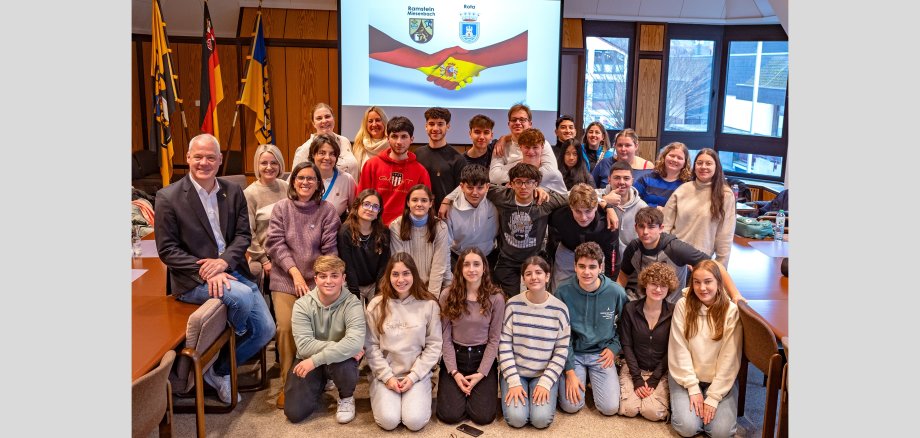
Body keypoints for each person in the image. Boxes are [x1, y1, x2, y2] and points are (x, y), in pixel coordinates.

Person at [154, 133, 275, 405]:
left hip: (232, 269)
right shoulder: (167, 197)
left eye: (210, 157)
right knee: (243, 300)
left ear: (220, 161)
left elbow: (243, 235)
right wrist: (209, 270)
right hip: (193, 279)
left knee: (267, 331)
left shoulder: (232, 192)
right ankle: (236, 331)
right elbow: (168, 250)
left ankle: (217, 370)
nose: (204, 162)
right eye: (198, 156)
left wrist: (223, 262)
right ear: (187, 158)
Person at [266, 161, 340, 409]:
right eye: (300, 178)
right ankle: (288, 384)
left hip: (317, 280)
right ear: (293, 181)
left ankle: (317, 377)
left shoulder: (327, 211)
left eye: (311, 179)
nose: (305, 182)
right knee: (287, 328)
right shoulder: (281, 208)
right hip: (286, 278)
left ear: (318, 184)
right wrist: (296, 274)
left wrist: (319, 281)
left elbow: (329, 250)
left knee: (319, 327)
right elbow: (275, 244)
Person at [444, 163, 568, 298]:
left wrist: (546, 191)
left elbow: (572, 197)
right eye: (518, 182)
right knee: (511, 300)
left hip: (534, 258)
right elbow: (472, 183)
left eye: (529, 182)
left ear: (536, 183)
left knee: (536, 297)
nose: (523, 187)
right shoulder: (502, 195)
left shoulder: (545, 201)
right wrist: (447, 200)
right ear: (511, 184)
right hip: (507, 261)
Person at [364, 253, 443, 431]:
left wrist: (414, 376)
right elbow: (371, 346)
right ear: (388, 276)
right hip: (386, 374)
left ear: (414, 275)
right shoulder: (376, 305)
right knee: (388, 421)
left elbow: (434, 345)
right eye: (395, 274)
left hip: (416, 375)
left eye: (406, 273)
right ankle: (379, 388)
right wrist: (387, 377)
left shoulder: (429, 305)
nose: (401, 279)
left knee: (414, 421)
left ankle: (423, 388)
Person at [284, 255, 366, 424]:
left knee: (345, 360)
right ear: (315, 279)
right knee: (294, 412)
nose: (328, 281)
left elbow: (355, 343)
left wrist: (316, 360)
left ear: (343, 278)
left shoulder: (353, 304)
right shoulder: (302, 305)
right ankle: (322, 380)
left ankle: (346, 397)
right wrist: (344, 346)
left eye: (334, 275)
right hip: (310, 358)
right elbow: (305, 346)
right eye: (323, 276)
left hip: (339, 361)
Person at [668, 260, 743, 438]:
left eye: (708, 281)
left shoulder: (731, 311)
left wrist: (714, 397)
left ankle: (709, 403)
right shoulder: (682, 305)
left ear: (718, 283)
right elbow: (679, 349)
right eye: (697, 282)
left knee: (721, 433)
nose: (702, 288)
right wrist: (693, 388)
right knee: (687, 428)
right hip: (685, 377)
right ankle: (686, 405)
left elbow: (730, 358)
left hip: (718, 379)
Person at [555, 242, 627, 417]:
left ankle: (593, 379)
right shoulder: (563, 291)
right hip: (574, 353)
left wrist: (614, 348)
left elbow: (626, 326)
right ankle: (581, 377)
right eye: (581, 266)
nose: (586, 272)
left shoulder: (616, 292)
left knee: (609, 408)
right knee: (571, 406)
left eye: (592, 267)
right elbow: (561, 336)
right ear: (575, 266)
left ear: (601, 267)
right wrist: (570, 371)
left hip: (601, 354)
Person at [498, 256, 570, 429]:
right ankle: (520, 390)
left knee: (540, 420)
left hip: (543, 373)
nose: (534, 277)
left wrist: (546, 383)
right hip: (516, 372)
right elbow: (504, 345)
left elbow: (561, 351)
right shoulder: (512, 305)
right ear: (523, 279)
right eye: (528, 273)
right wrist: (514, 382)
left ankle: (547, 392)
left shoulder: (560, 309)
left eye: (539, 272)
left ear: (547, 276)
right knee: (517, 419)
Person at [436, 247, 506, 426]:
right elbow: (446, 338)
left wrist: (481, 374)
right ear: (459, 268)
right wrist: (455, 373)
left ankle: (473, 393)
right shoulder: (447, 295)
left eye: (476, 264)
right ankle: (460, 393)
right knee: (448, 416)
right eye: (466, 264)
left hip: (482, 357)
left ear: (484, 268)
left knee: (483, 417)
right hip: (456, 357)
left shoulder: (496, 298)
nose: (471, 269)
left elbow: (494, 340)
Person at [617, 262, 677, 421]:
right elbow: (627, 345)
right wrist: (637, 378)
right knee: (629, 409)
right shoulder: (630, 309)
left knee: (652, 412)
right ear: (645, 285)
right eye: (654, 284)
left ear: (669, 288)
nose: (658, 289)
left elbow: (673, 349)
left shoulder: (675, 312)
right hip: (633, 368)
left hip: (660, 371)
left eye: (663, 285)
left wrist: (654, 379)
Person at [662, 148, 736, 266]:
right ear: (694, 166)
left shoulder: (725, 195)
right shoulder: (683, 189)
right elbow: (665, 225)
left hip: (701, 260)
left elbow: (725, 234)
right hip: (673, 256)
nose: (703, 167)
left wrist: (720, 267)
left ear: (716, 167)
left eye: (708, 163)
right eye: (700, 163)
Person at [357, 116, 432, 225]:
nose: (399, 142)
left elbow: (425, 205)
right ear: (388, 138)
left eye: (404, 136)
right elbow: (361, 200)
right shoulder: (371, 165)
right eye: (394, 136)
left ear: (411, 139)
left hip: (406, 229)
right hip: (376, 227)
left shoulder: (421, 171)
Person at [548, 183, 619, 290]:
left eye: (588, 211)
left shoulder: (608, 224)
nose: (583, 217)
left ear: (596, 207)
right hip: (568, 251)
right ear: (570, 207)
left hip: (596, 255)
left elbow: (612, 260)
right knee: (559, 290)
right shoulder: (559, 216)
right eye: (578, 211)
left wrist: (609, 286)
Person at [389, 184, 452, 299]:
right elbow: (399, 266)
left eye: (424, 200)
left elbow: (439, 265)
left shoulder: (441, 227)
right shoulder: (396, 226)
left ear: (430, 203)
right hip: (406, 287)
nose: (419, 204)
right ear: (408, 203)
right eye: (414, 200)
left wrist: (432, 297)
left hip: (433, 287)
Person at [244, 144, 289, 284]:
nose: (269, 167)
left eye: (274, 162)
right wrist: (263, 261)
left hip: (289, 251)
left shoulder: (286, 186)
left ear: (280, 164)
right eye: (264, 163)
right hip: (266, 256)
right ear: (257, 165)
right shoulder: (249, 194)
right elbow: (247, 233)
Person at [337, 189, 390, 304]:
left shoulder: (384, 232)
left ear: (378, 213)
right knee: (357, 318)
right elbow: (348, 266)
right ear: (357, 206)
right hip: (353, 284)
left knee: (378, 315)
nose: (370, 209)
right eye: (366, 204)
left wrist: (378, 293)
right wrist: (355, 298)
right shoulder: (345, 232)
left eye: (375, 207)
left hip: (375, 284)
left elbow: (383, 265)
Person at [444, 164, 498, 269]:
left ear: (487, 187)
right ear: (461, 187)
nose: (475, 193)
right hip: (459, 257)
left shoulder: (495, 202)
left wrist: (539, 190)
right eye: (470, 188)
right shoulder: (449, 210)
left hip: (488, 256)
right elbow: (446, 245)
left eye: (480, 188)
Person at [489, 104, 558, 184]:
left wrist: (508, 170)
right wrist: (527, 166)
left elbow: (551, 172)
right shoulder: (500, 146)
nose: (517, 123)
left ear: (530, 124)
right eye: (514, 120)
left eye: (522, 120)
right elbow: (493, 176)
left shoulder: (542, 143)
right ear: (509, 124)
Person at [413, 107, 466, 206]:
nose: (435, 128)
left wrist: (446, 203)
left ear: (448, 126)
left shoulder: (457, 159)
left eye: (440, 124)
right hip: (419, 213)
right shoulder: (417, 154)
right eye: (431, 124)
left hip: (445, 215)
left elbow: (461, 190)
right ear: (426, 126)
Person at [292, 103, 360, 180]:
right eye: (319, 118)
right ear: (313, 123)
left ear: (333, 118)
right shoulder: (305, 149)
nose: (324, 121)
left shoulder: (344, 141)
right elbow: (295, 180)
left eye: (327, 116)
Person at [492, 128, 566, 194]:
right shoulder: (508, 170)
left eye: (535, 147)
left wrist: (546, 195)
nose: (531, 152)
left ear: (542, 147)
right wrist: (508, 192)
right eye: (527, 147)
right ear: (520, 147)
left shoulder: (553, 174)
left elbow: (565, 200)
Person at [602, 160, 649, 255]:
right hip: (601, 260)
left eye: (626, 178)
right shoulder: (598, 195)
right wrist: (604, 201)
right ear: (609, 179)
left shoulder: (642, 207)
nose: (621, 182)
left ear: (632, 180)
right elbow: (569, 197)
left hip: (629, 262)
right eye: (617, 178)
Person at [308, 133, 357, 218]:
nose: (327, 157)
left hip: (334, 230)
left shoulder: (347, 179)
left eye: (332, 154)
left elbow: (354, 212)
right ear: (313, 154)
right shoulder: (302, 177)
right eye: (322, 153)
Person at [634, 142, 692, 208]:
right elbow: (632, 200)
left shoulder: (687, 184)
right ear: (664, 157)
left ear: (685, 163)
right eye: (672, 156)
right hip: (646, 217)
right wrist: (654, 208)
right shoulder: (646, 179)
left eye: (679, 158)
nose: (675, 160)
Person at [352, 106, 389, 172]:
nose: (374, 124)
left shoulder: (392, 145)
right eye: (370, 121)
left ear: (384, 122)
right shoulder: (359, 144)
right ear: (365, 124)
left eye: (378, 120)